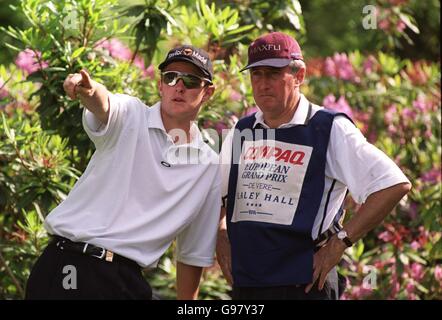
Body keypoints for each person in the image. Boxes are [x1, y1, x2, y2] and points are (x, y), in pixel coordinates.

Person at [216, 32, 411, 300]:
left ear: (299, 76)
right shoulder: (242, 129)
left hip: (305, 284)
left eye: (273, 73)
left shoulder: (329, 128)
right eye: (256, 74)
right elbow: (220, 195)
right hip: (248, 283)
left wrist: (340, 243)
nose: (263, 84)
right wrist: (221, 234)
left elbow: (392, 184)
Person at [25, 45, 221, 300]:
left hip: (125, 281)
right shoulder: (131, 115)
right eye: (170, 77)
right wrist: (89, 90)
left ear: (208, 93)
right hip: (70, 265)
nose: (179, 86)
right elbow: (104, 103)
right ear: (160, 85)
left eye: (191, 81)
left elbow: (192, 255)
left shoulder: (209, 167)